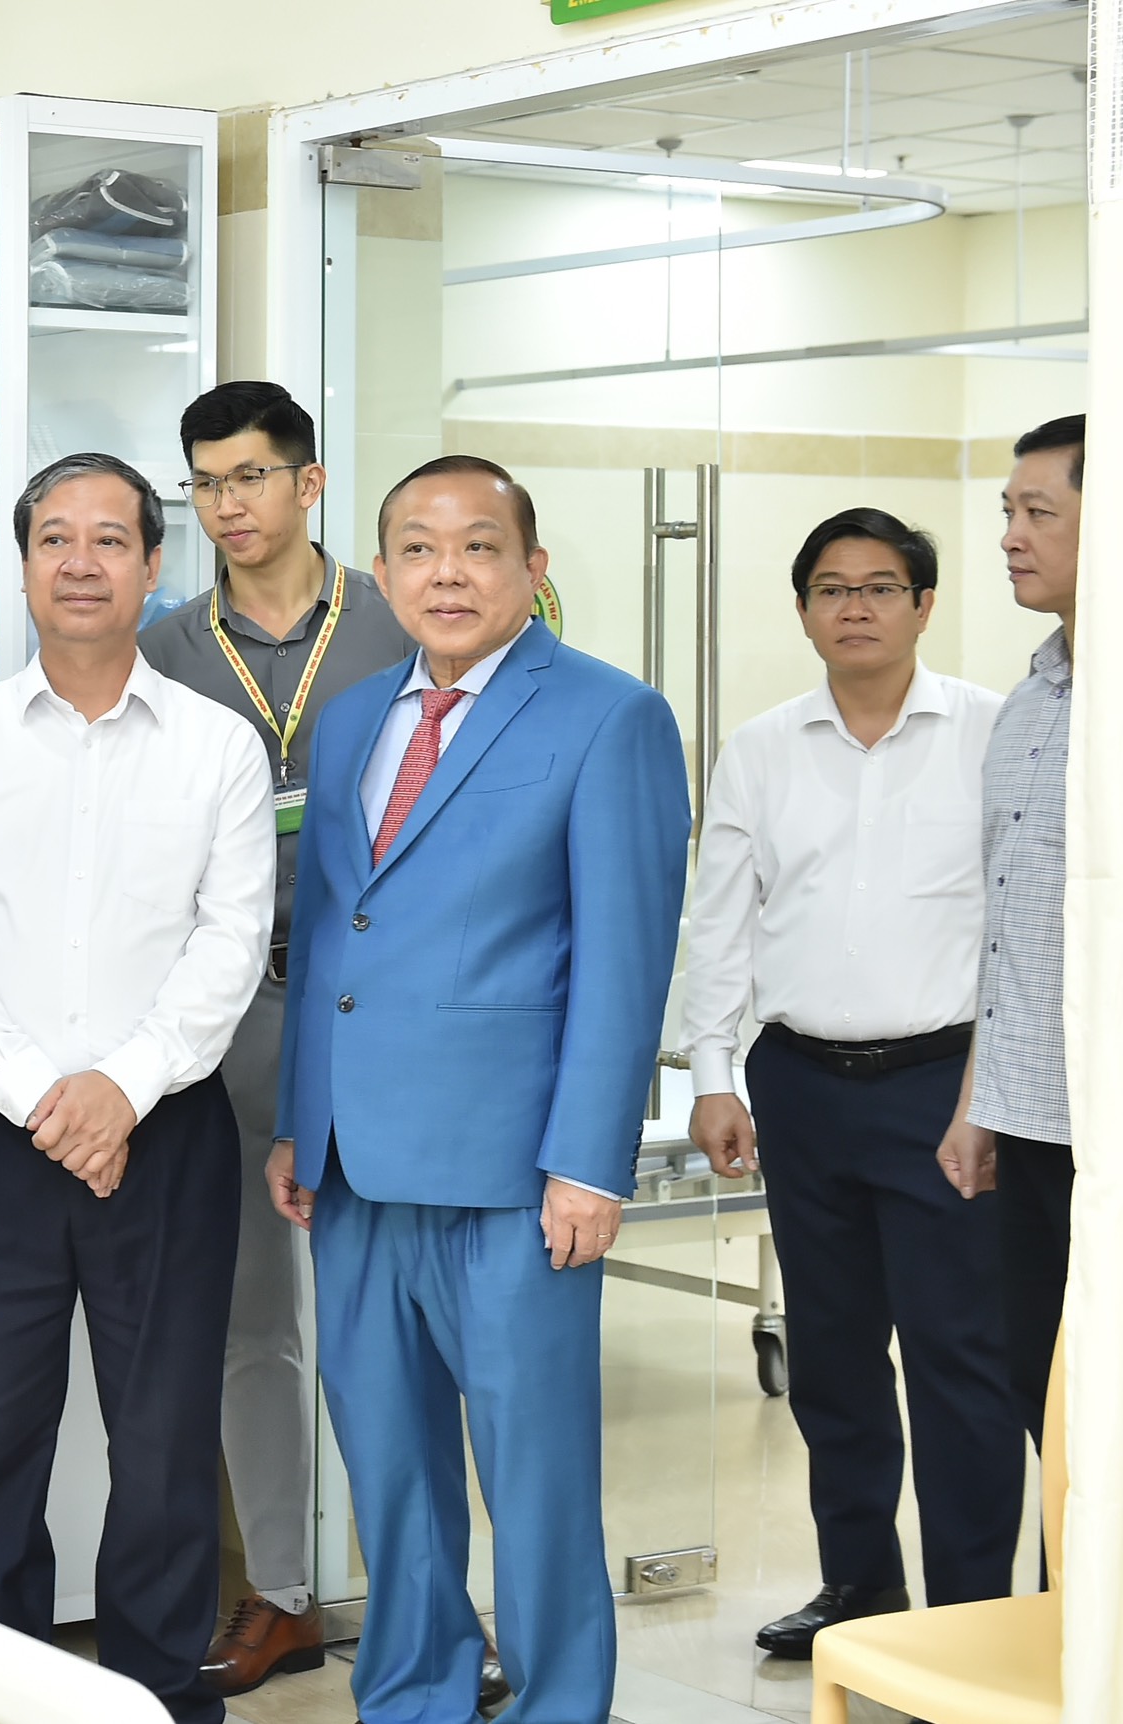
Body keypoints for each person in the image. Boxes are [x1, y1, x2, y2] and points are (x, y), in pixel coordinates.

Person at [271, 456, 687, 1724]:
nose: (444, 573)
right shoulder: (354, 717)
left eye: (477, 546)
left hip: (514, 1172)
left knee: (535, 1474)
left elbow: (624, 959)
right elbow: (329, 934)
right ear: (380, 570)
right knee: (388, 1469)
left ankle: (560, 1701)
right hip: (354, 1166)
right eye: (417, 547)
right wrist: (299, 1120)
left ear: (531, 567)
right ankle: (414, 1693)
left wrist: (590, 1160)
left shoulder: (610, 715)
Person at [0, 453, 276, 1723]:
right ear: (24, 565)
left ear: (154, 565)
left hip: (165, 1140)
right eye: (55, 537)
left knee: (162, 1444)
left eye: (111, 538)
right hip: (0, 1142)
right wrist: (44, 1097)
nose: (81, 561)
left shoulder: (216, 747)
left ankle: (161, 1694)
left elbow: (230, 942)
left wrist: (120, 1086)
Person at [686, 508, 1022, 1655]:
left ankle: (972, 1613)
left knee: (956, 1359)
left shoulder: (991, 730)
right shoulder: (761, 746)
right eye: (832, 588)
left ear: (923, 604)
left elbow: (1018, 925)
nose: (856, 608)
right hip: (801, 1084)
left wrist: (990, 1093)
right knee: (830, 1355)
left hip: (944, 1088)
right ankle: (858, 1586)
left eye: (881, 587)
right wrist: (713, 1071)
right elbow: (719, 921)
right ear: (802, 611)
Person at [137, 380, 411, 1694]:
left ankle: (421, 1599)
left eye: (250, 476)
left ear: (309, 482)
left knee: (393, 1315)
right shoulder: (166, 647)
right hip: (233, 1007)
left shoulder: (398, 620)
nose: (226, 505)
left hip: (381, 1006)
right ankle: (286, 1594)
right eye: (205, 483)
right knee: (255, 1319)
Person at [937, 413, 1083, 1465]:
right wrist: (978, 1101)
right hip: (1031, 1121)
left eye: (1038, 512)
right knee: (1045, 1396)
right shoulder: (1028, 705)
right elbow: (1009, 930)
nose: (1009, 536)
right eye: (1008, 511)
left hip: (1104, 1127)